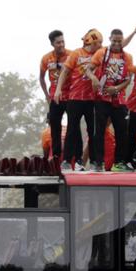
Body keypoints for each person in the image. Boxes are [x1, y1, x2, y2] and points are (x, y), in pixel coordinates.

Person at [54, 30, 104, 172]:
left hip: (92, 99)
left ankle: (95, 162)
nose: (101, 45)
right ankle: (67, 161)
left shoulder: (100, 55)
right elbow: (64, 72)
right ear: (92, 42)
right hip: (75, 98)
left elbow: (118, 47)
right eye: (99, 43)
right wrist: (58, 90)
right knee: (71, 130)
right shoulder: (76, 54)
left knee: (93, 130)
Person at [88, 29, 134, 172]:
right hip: (102, 98)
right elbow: (88, 69)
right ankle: (98, 162)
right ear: (110, 39)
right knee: (99, 132)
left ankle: (119, 162)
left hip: (119, 99)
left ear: (123, 41)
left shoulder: (127, 57)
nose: (116, 43)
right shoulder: (101, 53)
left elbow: (129, 78)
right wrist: (94, 78)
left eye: (119, 41)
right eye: (114, 40)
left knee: (122, 132)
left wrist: (118, 88)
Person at [40, 30, 70, 164]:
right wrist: (47, 95)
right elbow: (41, 77)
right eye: (58, 42)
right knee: (55, 127)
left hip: (70, 97)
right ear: (52, 43)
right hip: (54, 98)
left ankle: (72, 156)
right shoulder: (46, 58)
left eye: (63, 41)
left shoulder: (71, 55)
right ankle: (56, 156)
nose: (61, 44)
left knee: (73, 126)